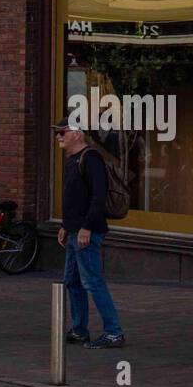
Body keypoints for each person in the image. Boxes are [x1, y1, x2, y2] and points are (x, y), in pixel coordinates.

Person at [55, 114, 124, 349]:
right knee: (72, 281)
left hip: (87, 232)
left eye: (62, 132)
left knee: (92, 281)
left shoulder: (91, 158)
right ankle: (79, 329)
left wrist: (86, 226)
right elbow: (76, 199)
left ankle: (114, 332)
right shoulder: (73, 160)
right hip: (74, 231)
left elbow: (98, 196)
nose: (58, 137)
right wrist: (66, 225)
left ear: (77, 133)